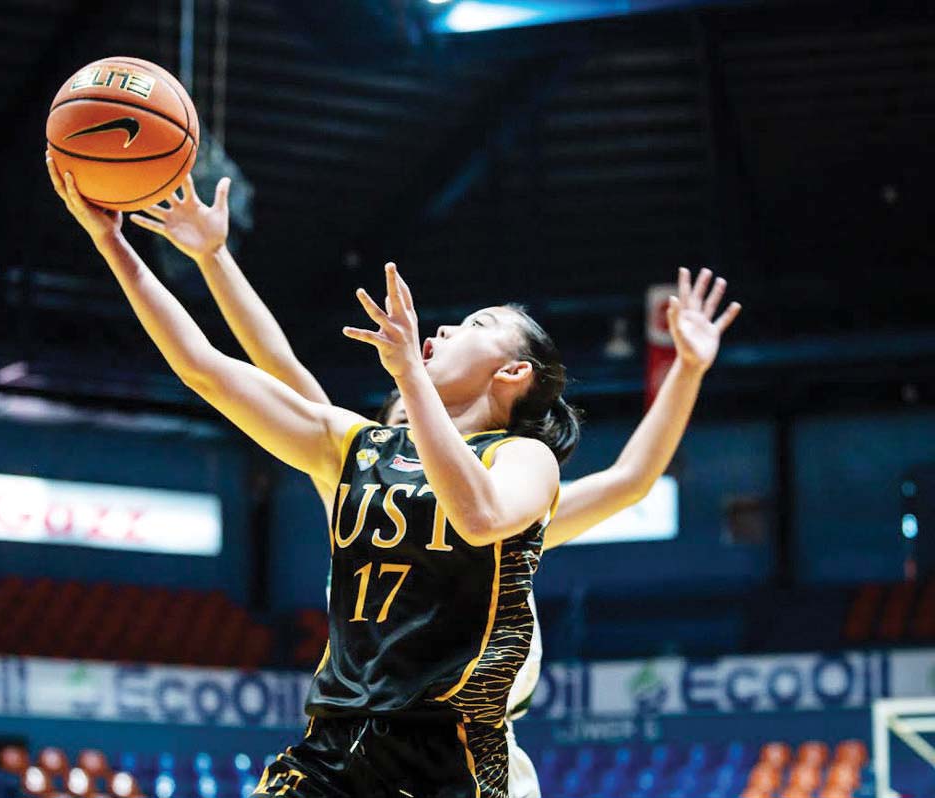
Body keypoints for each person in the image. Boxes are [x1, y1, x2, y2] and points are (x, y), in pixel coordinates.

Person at [127, 176, 742, 797]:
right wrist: (198, 255)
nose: (403, 405)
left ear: (510, 373)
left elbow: (624, 480)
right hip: (342, 743)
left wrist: (687, 369)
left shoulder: (519, 472)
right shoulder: (360, 457)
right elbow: (257, 366)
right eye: (398, 404)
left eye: (472, 326)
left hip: (462, 757)